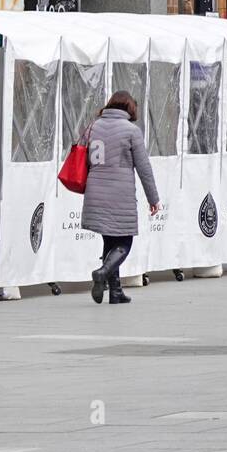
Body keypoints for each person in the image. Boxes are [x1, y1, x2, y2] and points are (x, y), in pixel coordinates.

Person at [83, 90, 159, 305]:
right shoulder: (131, 131)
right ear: (130, 108)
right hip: (120, 193)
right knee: (125, 240)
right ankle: (102, 272)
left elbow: (86, 159)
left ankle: (115, 292)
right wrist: (153, 198)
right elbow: (144, 168)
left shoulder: (93, 127)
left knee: (109, 240)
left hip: (95, 191)